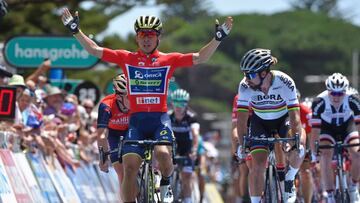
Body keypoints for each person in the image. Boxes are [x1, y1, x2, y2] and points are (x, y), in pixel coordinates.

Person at [61, 8, 233, 203]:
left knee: (162, 153)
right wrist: (76, 31)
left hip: (159, 120)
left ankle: (166, 181)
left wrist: (218, 38)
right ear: (137, 37)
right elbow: (94, 50)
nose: (146, 39)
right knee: (129, 167)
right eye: (142, 34)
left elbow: (201, 57)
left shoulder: (168, 60)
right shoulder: (127, 58)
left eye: (151, 34)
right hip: (137, 122)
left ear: (158, 37)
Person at [236, 48, 306, 203]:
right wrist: (242, 145)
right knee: (258, 165)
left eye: (250, 74)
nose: (246, 79)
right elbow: (241, 120)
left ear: (263, 73)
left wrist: (296, 141)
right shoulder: (245, 86)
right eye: (245, 74)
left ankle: (289, 179)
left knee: (300, 142)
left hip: (283, 120)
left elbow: (295, 117)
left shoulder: (285, 82)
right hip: (259, 122)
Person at [310, 73, 360, 203]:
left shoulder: (353, 99)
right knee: (325, 155)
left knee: (357, 154)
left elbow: (359, 125)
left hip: (347, 127)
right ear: (328, 91)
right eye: (333, 93)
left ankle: (354, 187)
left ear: (346, 91)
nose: (336, 97)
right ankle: (330, 195)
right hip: (328, 129)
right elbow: (314, 131)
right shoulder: (319, 101)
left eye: (340, 94)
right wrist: (315, 154)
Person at [96, 74, 130, 188]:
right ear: (118, 95)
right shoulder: (106, 105)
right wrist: (103, 159)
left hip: (133, 131)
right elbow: (101, 135)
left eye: (131, 95)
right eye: (125, 95)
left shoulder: (138, 101)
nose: (130, 99)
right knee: (122, 173)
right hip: (114, 135)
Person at [169, 89, 199, 203]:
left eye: (181, 103)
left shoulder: (192, 117)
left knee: (186, 176)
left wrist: (194, 150)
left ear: (186, 104)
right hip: (173, 146)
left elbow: (195, 135)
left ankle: (188, 200)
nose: (178, 106)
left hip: (187, 148)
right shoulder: (168, 116)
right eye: (176, 102)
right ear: (172, 103)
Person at [296, 89, 314, 203]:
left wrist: (311, 151)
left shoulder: (306, 112)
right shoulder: (281, 111)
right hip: (285, 147)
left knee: (306, 173)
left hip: (302, 146)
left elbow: (311, 135)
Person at [231, 94, 249, 203]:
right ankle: (243, 199)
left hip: (260, 126)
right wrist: (235, 150)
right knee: (244, 170)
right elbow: (234, 127)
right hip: (244, 131)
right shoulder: (239, 98)